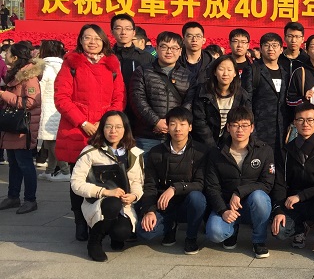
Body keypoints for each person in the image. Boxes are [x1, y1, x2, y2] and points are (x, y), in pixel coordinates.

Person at [54, 24, 127, 241]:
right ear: (80, 41)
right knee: (78, 177)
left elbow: (119, 97)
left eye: (97, 38)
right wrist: (83, 122)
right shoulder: (71, 64)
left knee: (104, 176)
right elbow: (61, 97)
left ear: (104, 41)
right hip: (77, 129)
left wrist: (105, 123)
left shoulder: (112, 64)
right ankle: (79, 220)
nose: (92, 42)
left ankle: (102, 218)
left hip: (105, 130)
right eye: (87, 38)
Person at [70, 111, 144, 262]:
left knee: (122, 233)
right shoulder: (90, 151)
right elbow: (76, 183)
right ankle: (94, 241)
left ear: (125, 129)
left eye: (118, 127)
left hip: (124, 205)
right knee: (112, 203)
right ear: (102, 128)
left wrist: (134, 195)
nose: (113, 131)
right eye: (108, 126)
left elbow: (137, 181)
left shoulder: (133, 153)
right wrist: (104, 192)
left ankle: (114, 235)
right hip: (97, 202)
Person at [270, 102, 314, 261]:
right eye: (300, 120)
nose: (305, 124)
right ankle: (300, 229)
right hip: (293, 205)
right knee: (279, 231)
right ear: (294, 122)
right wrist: (278, 211)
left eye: (310, 120)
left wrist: (301, 196)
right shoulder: (285, 151)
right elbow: (279, 184)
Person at [205, 106, 276, 258]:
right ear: (228, 127)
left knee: (259, 197)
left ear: (252, 128)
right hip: (227, 205)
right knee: (215, 233)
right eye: (235, 125)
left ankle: (259, 241)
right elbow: (212, 187)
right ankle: (232, 230)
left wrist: (239, 192)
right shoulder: (216, 153)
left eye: (244, 125)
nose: (240, 130)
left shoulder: (264, 150)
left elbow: (267, 183)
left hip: (252, 205)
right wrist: (223, 211)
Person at [137, 107, 208, 254]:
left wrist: (175, 188)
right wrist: (149, 211)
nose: (178, 129)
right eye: (173, 124)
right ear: (167, 127)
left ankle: (191, 237)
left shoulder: (200, 152)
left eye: (182, 124)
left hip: (187, 204)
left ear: (190, 127)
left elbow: (200, 184)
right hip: (164, 205)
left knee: (198, 198)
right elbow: (150, 185)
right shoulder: (156, 152)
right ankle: (170, 226)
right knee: (145, 232)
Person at [128, 32, 194, 154]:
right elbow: (137, 100)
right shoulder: (142, 72)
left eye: (174, 48)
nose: (169, 51)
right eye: (164, 47)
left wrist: (174, 123)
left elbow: (190, 102)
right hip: (147, 136)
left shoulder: (188, 76)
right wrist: (156, 122)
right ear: (157, 48)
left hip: (176, 136)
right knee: (145, 166)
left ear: (180, 51)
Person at [0, 42, 43, 214]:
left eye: (8, 53)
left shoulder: (29, 76)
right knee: (13, 164)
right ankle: (13, 196)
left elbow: (31, 102)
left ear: (15, 57)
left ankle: (30, 199)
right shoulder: (14, 75)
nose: (5, 55)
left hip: (22, 128)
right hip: (11, 126)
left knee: (25, 164)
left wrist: (4, 95)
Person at [192, 55, 250, 148]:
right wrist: (212, 146)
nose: (225, 73)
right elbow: (199, 121)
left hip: (230, 144)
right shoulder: (203, 91)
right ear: (215, 72)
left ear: (235, 73)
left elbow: (246, 119)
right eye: (221, 69)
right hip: (204, 145)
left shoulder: (242, 95)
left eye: (229, 70)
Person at [251, 33, 290, 159]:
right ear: (261, 49)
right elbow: (246, 100)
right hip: (260, 128)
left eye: (274, 45)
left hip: (282, 130)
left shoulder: (286, 72)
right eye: (266, 45)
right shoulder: (253, 70)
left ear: (281, 49)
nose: (270, 49)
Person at [37, 39, 70, 182]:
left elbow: (40, 91)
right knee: (50, 141)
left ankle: (65, 170)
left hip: (48, 108)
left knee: (52, 143)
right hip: (60, 108)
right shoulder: (63, 66)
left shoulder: (46, 68)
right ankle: (50, 170)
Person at [110, 14, 153, 87]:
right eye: (118, 28)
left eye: (128, 29)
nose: (123, 32)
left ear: (133, 33)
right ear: (112, 32)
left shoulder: (146, 57)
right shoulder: (106, 56)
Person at [177, 21, 213, 85]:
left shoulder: (212, 63)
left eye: (198, 36)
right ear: (183, 40)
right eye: (190, 36)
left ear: (203, 40)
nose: (194, 40)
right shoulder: (176, 62)